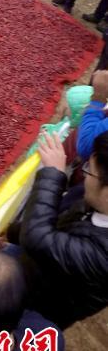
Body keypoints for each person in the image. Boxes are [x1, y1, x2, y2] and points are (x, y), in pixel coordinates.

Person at [20, 126, 108, 327]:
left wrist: (53, 175)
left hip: (37, 310)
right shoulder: (97, 206)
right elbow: (59, 224)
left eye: (89, 171)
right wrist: (14, 235)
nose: (85, 177)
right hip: (35, 270)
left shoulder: (103, 255)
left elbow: (38, 237)